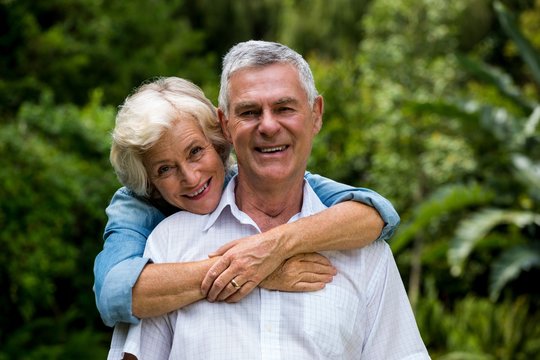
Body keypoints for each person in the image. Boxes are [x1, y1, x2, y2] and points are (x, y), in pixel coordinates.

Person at [116, 40, 429, 359]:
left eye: (284, 108)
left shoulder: (366, 252)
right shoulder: (169, 244)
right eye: (250, 112)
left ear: (316, 115)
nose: (267, 125)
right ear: (225, 125)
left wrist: (274, 248)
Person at [94, 77, 400, 327]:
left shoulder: (245, 179)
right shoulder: (136, 205)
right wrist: (253, 271)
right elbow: (114, 293)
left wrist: (274, 247)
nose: (190, 176)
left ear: (219, 142)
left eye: (196, 152)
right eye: (165, 169)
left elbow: (375, 213)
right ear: (149, 183)